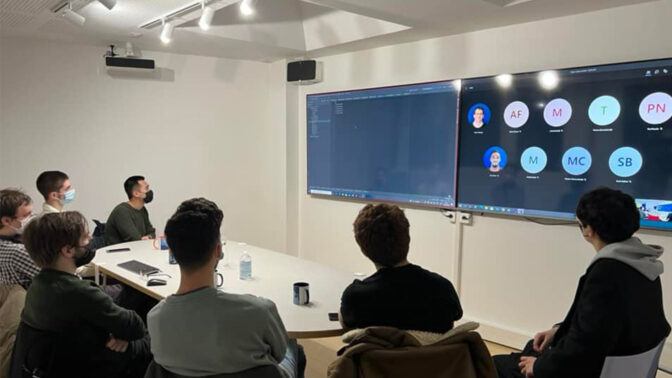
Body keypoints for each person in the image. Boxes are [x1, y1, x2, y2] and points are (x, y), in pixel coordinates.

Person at [493, 188, 670, 378]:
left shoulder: (606, 274)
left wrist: (538, 367)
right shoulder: (643, 263)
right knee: (533, 347)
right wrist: (558, 331)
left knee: (492, 364)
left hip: (595, 368)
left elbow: (583, 350)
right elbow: (601, 324)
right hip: (624, 362)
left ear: (589, 230)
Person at [148, 198, 305, 378]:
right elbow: (278, 354)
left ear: (172, 252)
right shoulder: (259, 311)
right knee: (293, 347)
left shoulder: (156, 318)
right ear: (218, 251)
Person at [19, 212, 152, 378]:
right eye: (85, 237)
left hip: (57, 361)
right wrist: (121, 332)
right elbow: (135, 326)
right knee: (151, 338)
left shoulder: (38, 283)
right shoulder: (79, 291)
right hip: (90, 363)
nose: (90, 239)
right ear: (68, 250)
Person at [339, 203, 462, 333]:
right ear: (407, 239)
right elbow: (456, 315)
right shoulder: (442, 287)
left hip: (380, 354)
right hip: (436, 354)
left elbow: (346, 324)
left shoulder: (356, 297)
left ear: (363, 250)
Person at [0, 189, 39, 289]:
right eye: (26, 215)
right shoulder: (18, 252)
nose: (32, 218)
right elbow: (58, 278)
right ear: (6, 220)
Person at [104, 176, 156, 246]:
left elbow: (152, 232)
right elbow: (135, 240)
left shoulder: (142, 209)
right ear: (136, 193)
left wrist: (148, 237)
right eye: (146, 188)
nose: (149, 191)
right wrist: (145, 239)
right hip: (119, 254)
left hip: (136, 251)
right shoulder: (122, 211)